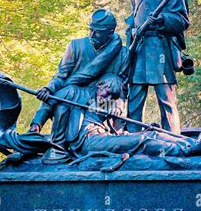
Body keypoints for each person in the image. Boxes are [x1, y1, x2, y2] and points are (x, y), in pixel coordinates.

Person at [28, 9, 129, 146]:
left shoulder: (123, 54)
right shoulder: (76, 46)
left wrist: (117, 105)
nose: (92, 34)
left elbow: (123, 88)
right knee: (66, 94)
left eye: (97, 32)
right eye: (90, 29)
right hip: (76, 95)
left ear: (110, 33)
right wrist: (48, 89)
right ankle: (36, 127)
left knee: (68, 93)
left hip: (102, 104)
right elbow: (61, 76)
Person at [59, 73, 201, 158]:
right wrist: (114, 110)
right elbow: (98, 109)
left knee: (153, 133)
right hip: (90, 142)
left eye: (111, 96)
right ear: (99, 86)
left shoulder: (107, 102)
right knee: (144, 140)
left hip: (104, 138)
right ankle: (186, 151)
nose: (106, 97)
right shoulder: (86, 99)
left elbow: (116, 124)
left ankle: (195, 144)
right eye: (105, 93)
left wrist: (116, 112)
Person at [126, 0, 189, 134]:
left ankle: (173, 141)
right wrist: (132, 30)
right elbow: (134, 14)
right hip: (139, 47)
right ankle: (132, 140)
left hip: (160, 48)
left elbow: (182, 20)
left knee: (166, 100)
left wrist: (162, 20)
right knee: (134, 99)